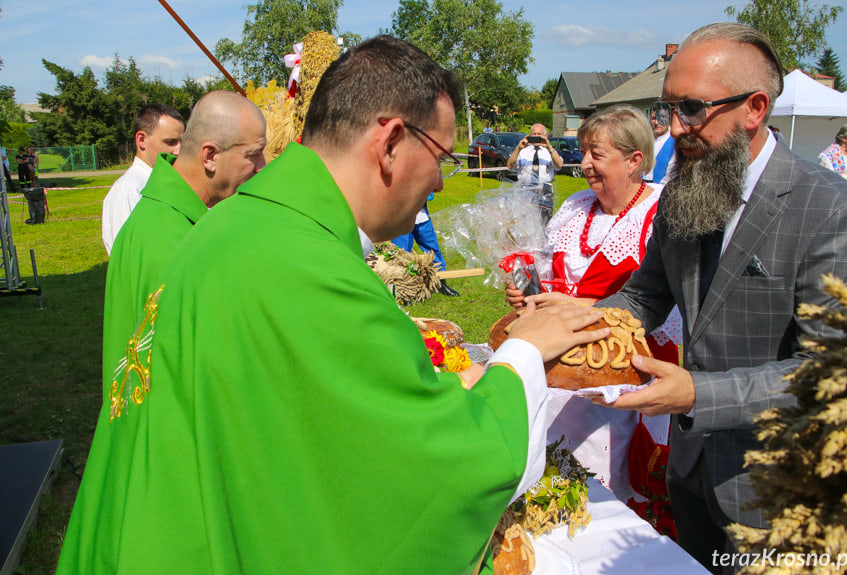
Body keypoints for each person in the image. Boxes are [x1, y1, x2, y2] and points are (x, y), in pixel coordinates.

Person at [56, 35, 609, 575]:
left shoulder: (250, 221)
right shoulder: (305, 265)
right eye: (441, 156)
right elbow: (440, 466)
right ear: (390, 143)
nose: (441, 181)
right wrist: (524, 353)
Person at [591, 23, 847, 574]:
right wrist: (575, 325)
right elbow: (645, 297)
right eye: (665, 109)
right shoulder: (685, 191)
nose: (674, 129)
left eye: (691, 109)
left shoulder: (829, 210)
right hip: (689, 472)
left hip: (775, 492)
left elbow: (829, 374)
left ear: (755, 108)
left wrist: (695, 393)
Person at [504, 105, 682, 516]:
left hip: (622, 373)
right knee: (550, 463)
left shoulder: (661, 213)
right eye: (583, 151)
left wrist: (578, 307)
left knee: (605, 484)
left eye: (596, 154)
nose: (583, 164)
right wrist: (528, 293)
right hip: (560, 362)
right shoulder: (575, 207)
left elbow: (668, 308)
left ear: (635, 160)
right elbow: (551, 275)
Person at [100, 89, 267, 403]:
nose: (262, 166)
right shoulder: (171, 240)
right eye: (253, 154)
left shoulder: (165, 216)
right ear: (209, 157)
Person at [101, 103, 185, 255]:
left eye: (182, 142)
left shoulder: (170, 184)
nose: (178, 151)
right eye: (170, 142)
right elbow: (127, 256)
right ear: (141, 140)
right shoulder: (128, 191)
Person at [392, 192, 460, 296]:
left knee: (432, 250)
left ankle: (441, 283)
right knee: (402, 253)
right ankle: (401, 291)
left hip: (420, 214)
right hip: (401, 215)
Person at [507, 123, 564, 226]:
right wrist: (518, 148)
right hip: (525, 189)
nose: (536, 136)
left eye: (539, 134)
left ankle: (543, 240)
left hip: (544, 189)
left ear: (545, 136)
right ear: (529, 136)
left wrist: (549, 147)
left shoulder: (549, 152)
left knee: (544, 221)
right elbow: (510, 166)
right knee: (523, 221)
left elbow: (559, 165)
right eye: (534, 134)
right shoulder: (523, 151)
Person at [645, 109, 676, 184]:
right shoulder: (646, 140)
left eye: (661, 118)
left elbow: (671, 174)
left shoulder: (674, 142)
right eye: (654, 118)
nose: (656, 122)